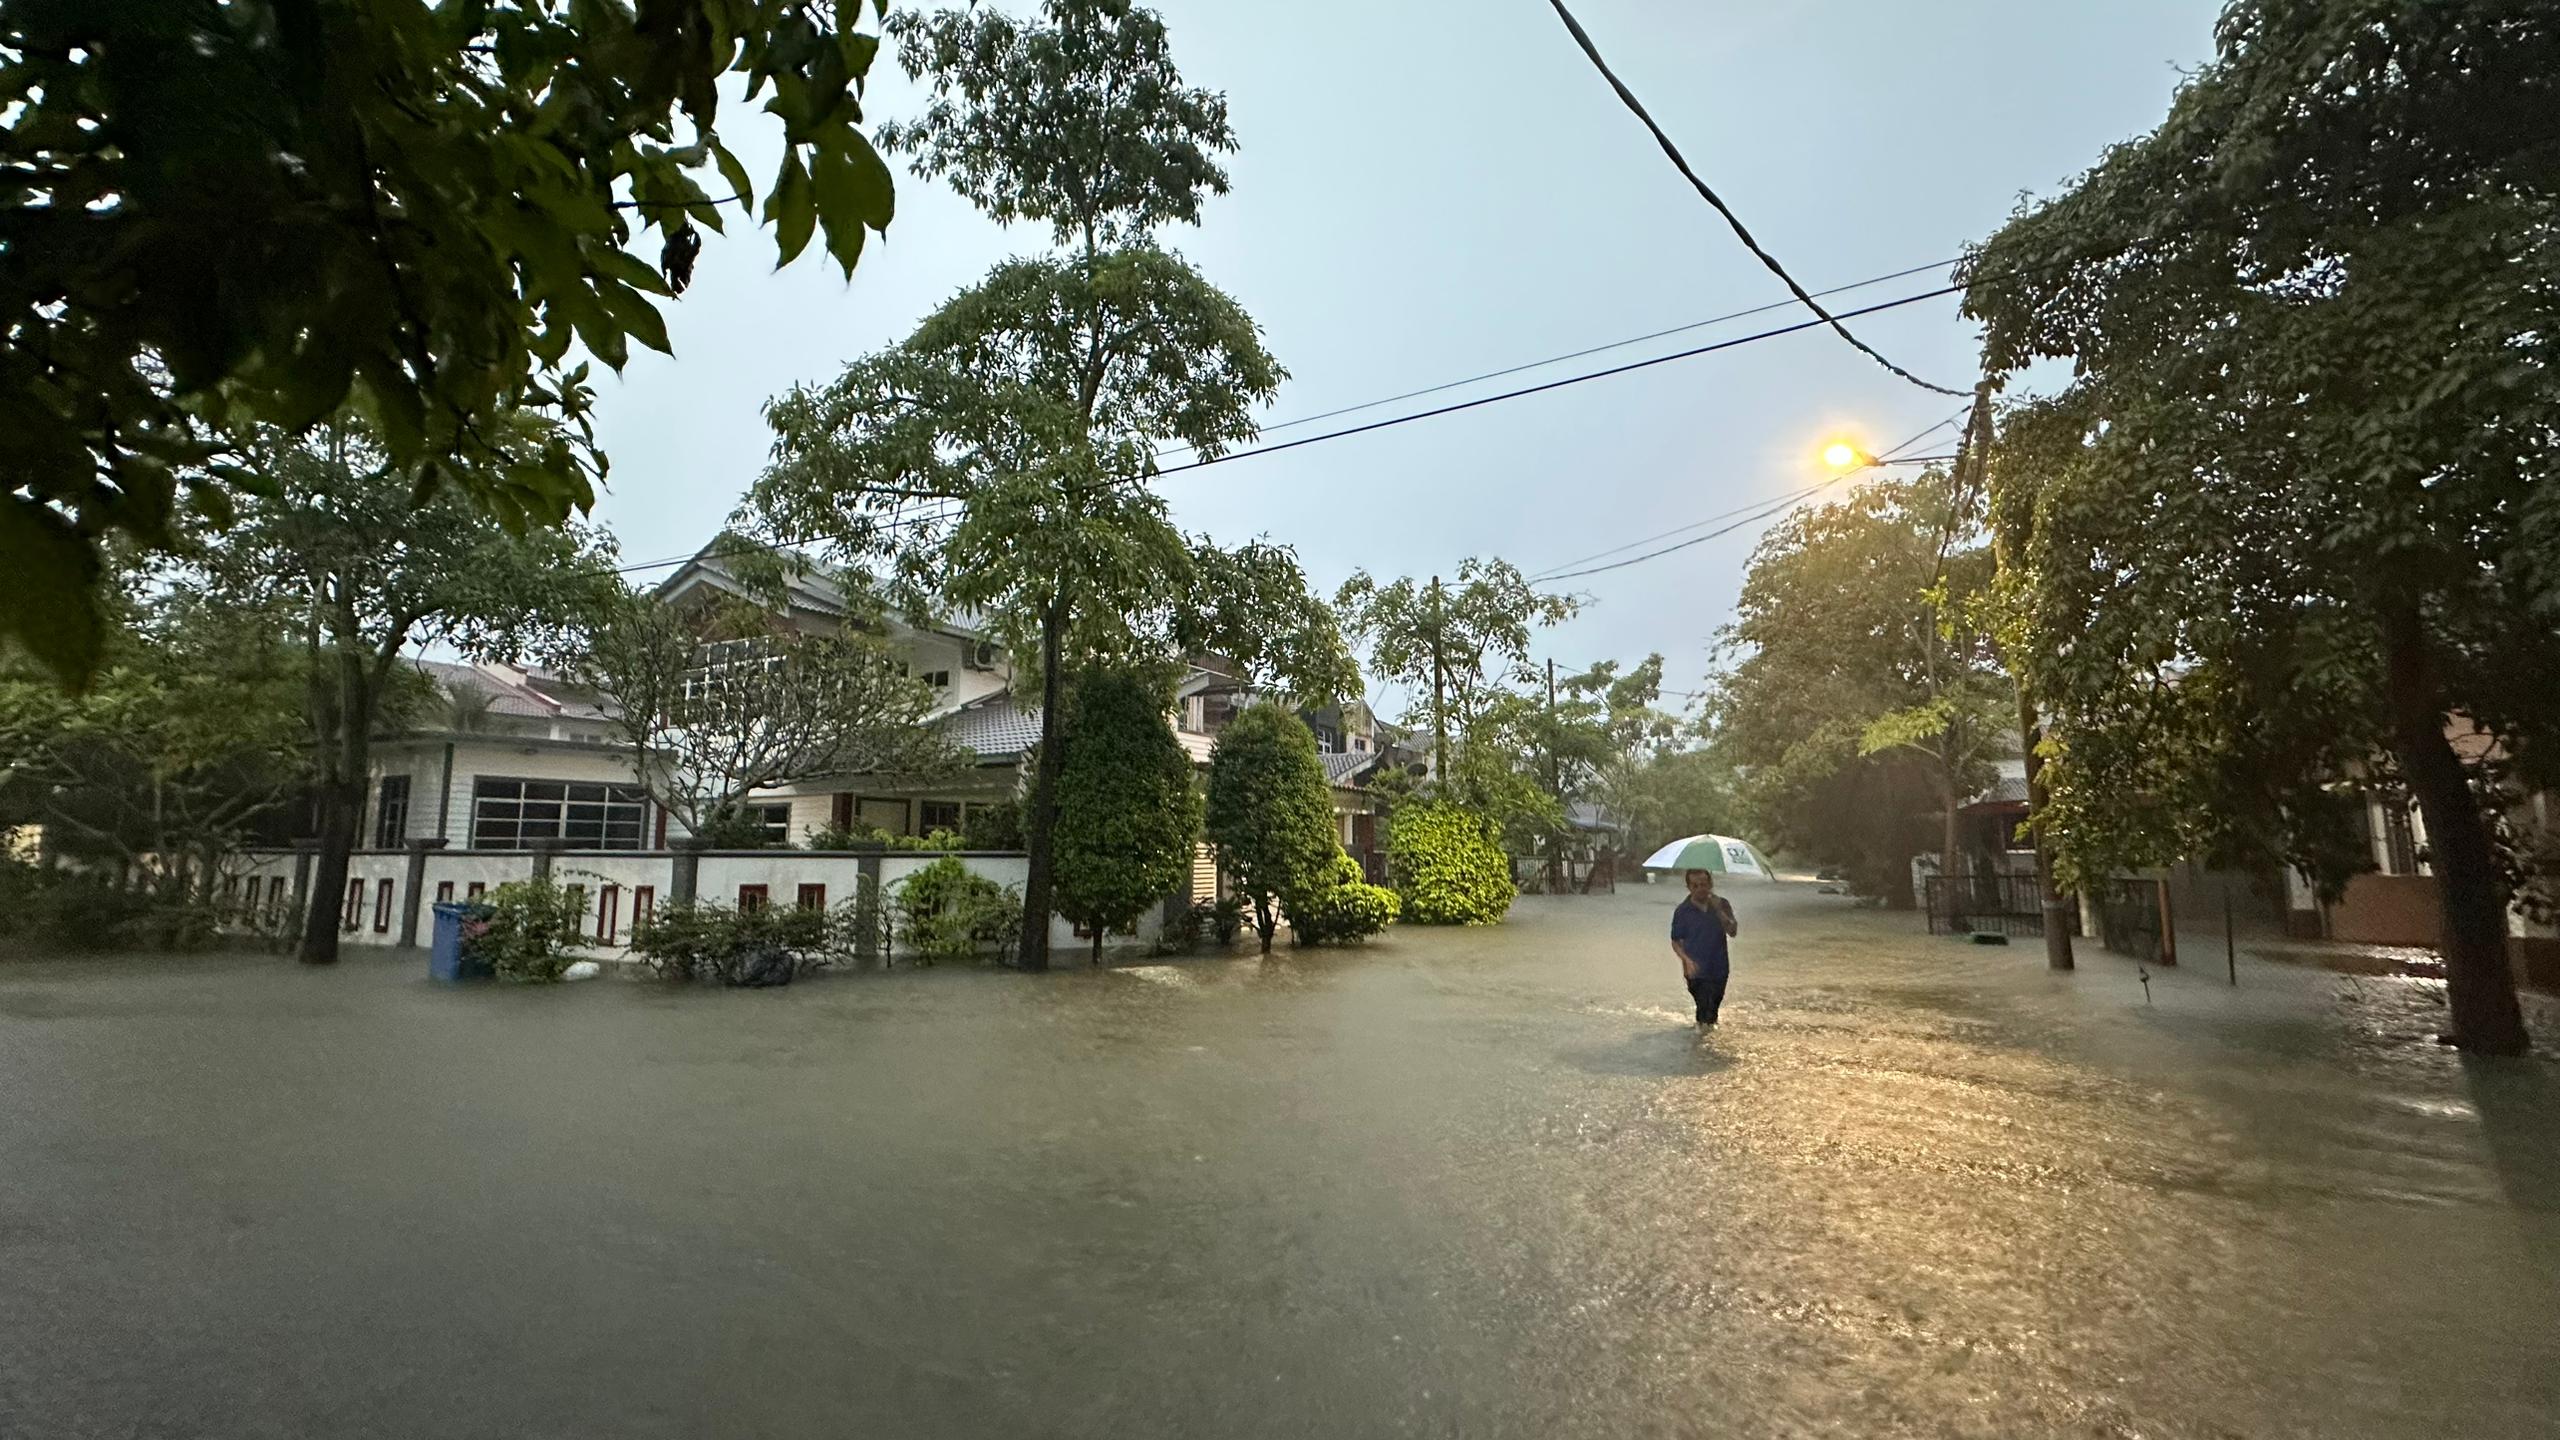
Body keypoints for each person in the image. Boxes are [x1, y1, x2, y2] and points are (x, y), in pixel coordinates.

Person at [1670, 868, 1740, 1029]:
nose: (1700, 889)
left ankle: (1705, 1045)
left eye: (1703, 884)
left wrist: (1719, 911)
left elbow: (1733, 931)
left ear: (1710, 884)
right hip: (1695, 970)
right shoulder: (1682, 911)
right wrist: (1686, 961)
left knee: (1713, 1010)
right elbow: (1675, 941)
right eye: (1695, 885)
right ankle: (1700, 1046)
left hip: (1719, 967)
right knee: (1704, 1010)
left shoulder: (1722, 904)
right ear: (1688, 887)